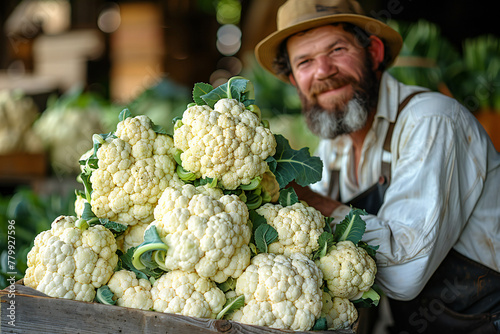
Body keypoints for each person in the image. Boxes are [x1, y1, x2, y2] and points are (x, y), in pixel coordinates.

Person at [254, 0, 500, 333]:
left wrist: (305, 198)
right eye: (305, 62)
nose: (323, 71)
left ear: (374, 52)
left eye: (337, 49)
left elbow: (404, 275)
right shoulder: (334, 145)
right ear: (294, 80)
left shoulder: (431, 121)